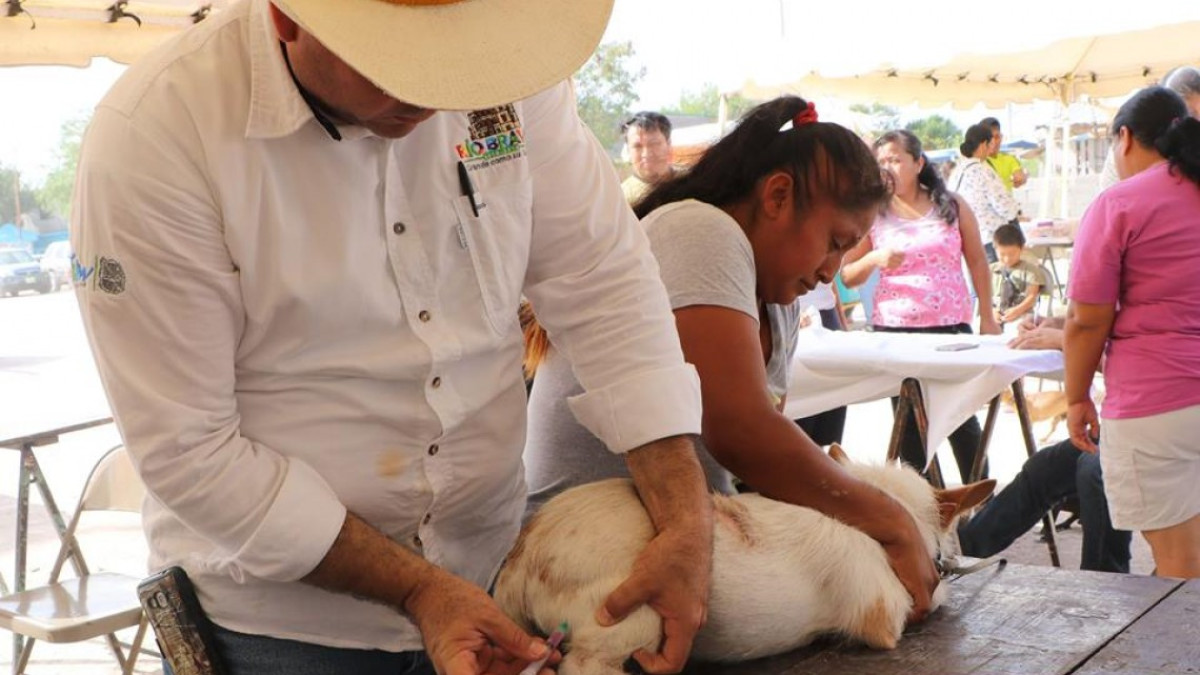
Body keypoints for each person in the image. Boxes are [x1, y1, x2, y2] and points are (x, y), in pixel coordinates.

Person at [69, 2, 717, 674]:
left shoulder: (507, 79)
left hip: (492, 584)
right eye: (392, 64)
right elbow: (190, 451)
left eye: (449, 58)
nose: (433, 96)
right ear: (286, 17)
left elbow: (601, 277)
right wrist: (419, 588)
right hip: (275, 635)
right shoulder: (154, 135)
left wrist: (683, 514)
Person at [523, 96, 941, 625]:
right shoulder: (699, 229)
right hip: (578, 561)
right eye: (834, 243)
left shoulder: (777, 303)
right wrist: (894, 524)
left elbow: (767, 466)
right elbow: (741, 431)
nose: (830, 271)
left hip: (675, 552)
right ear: (778, 196)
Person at [1066, 85, 1200, 579]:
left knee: (1180, 568)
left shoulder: (1120, 203)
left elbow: (1086, 319)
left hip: (1157, 403)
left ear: (1124, 138)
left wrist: (1076, 396)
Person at [841, 129, 1001, 482]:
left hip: (950, 328)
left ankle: (980, 500)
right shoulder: (873, 214)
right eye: (881, 161)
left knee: (959, 417)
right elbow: (848, 274)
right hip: (894, 332)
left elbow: (977, 262)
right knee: (909, 424)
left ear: (918, 162)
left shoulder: (952, 206)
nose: (888, 168)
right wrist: (876, 259)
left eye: (896, 159)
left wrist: (988, 317)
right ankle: (925, 510)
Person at [957, 316, 1131, 574]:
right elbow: (1108, 322)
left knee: (1095, 471)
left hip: (1171, 429)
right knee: (1043, 468)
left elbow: (1144, 372)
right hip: (1129, 426)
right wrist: (1060, 325)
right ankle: (961, 551)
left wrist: (1068, 340)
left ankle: (1106, 585)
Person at [949, 123, 1021, 262]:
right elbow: (1005, 207)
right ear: (983, 145)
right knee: (993, 282)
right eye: (990, 144)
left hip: (966, 240)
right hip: (990, 239)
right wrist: (1016, 210)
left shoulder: (957, 172)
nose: (992, 148)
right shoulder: (983, 171)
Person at [793, 281, 849, 447]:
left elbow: (829, 280)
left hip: (827, 318)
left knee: (830, 436)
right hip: (794, 321)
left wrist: (841, 322)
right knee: (799, 433)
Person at [990, 223, 1048, 326]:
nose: (1007, 259)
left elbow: (1031, 296)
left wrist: (1017, 310)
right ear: (995, 249)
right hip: (995, 314)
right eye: (1002, 254)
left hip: (1022, 314)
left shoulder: (1031, 270)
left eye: (1012, 254)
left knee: (1018, 329)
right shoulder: (990, 270)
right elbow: (984, 297)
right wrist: (992, 311)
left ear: (1021, 249)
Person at [621, 111, 677, 205]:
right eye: (637, 146)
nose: (646, 154)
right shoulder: (620, 200)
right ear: (628, 151)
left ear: (668, 144)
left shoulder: (692, 181)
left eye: (654, 144)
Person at [980, 117, 1028, 192]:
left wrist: (1022, 177)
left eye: (997, 137)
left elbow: (1020, 173)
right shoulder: (976, 161)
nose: (993, 142)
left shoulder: (1009, 158)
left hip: (1005, 202)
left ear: (1001, 137)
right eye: (989, 138)